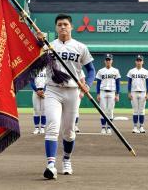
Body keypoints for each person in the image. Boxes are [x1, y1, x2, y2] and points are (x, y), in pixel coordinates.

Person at [40, 13, 95, 179]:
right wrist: (38, 43)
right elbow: (34, 62)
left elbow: (91, 70)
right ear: (56, 28)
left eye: (65, 24)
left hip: (72, 91)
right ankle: (50, 165)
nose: (62, 27)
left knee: (69, 132)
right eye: (59, 25)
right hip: (52, 90)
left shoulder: (80, 47)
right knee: (52, 126)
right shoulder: (48, 46)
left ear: (71, 27)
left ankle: (66, 159)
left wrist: (88, 84)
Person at [96, 54, 121, 134]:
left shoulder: (116, 71)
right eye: (106, 60)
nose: (108, 61)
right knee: (102, 110)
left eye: (109, 59)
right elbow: (98, 83)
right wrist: (98, 94)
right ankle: (103, 127)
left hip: (112, 92)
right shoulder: (101, 71)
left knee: (110, 110)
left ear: (112, 61)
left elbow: (118, 84)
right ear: (104, 61)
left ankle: (109, 127)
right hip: (103, 92)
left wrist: (117, 94)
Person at [127, 55, 148, 133]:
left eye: (140, 60)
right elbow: (129, 83)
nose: (139, 62)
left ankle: (141, 127)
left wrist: (147, 93)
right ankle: (134, 127)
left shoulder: (146, 71)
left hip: (143, 92)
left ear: (142, 62)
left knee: (141, 111)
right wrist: (129, 92)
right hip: (133, 92)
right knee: (135, 111)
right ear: (135, 62)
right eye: (137, 60)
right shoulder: (131, 71)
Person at [30, 68, 47, 134]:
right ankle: (36, 128)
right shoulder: (34, 70)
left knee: (43, 110)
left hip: (44, 91)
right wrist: (37, 91)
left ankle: (42, 128)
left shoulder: (46, 70)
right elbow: (31, 82)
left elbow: (48, 81)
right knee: (36, 110)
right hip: (35, 92)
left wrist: (43, 91)